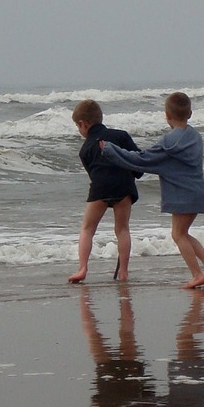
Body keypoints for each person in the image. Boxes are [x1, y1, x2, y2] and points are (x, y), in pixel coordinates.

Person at [100, 92, 204, 288]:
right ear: (190, 113)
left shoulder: (169, 142)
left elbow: (141, 159)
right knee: (183, 233)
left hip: (182, 195)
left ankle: (198, 273)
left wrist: (111, 150)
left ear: (166, 115)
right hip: (198, 192)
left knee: (178, 235)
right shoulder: (195, 137)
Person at [69, 99, 141, 283]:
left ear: (82, 124)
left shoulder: (85, 149)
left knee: (87, 229)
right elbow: (137, 162)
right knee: (122, 229)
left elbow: (93, 174)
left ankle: (82, 268)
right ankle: (123, 271)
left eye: (78, 128)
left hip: (100, 188)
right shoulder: (121, 136)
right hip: (124, 187)